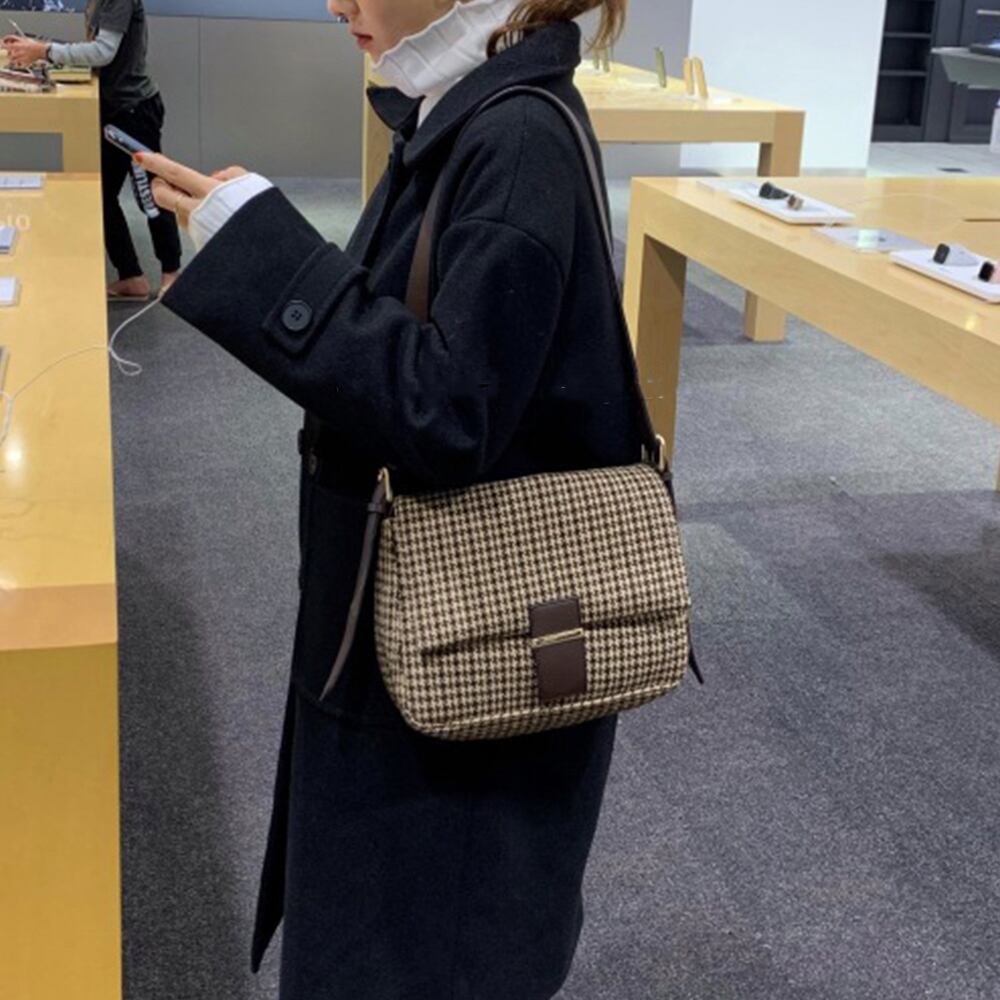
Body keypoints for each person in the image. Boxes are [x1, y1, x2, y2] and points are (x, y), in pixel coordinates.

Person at [135, 0, 640, 996]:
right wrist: (261, 239)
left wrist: (266, 258)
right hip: (427, 645)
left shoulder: (514, 139)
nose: (337, 3)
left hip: (459, 677)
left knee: (422, 942)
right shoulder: (469, 113)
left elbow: (447, 411)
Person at [3, 0, 182, 300]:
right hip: (116, 110)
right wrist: (37, 45)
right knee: (102, 196)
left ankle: (171, 273)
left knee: (152, 194)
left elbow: (102, 52)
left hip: (133, 112)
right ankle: (131, 276)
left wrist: (43, 50)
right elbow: (94, 48)